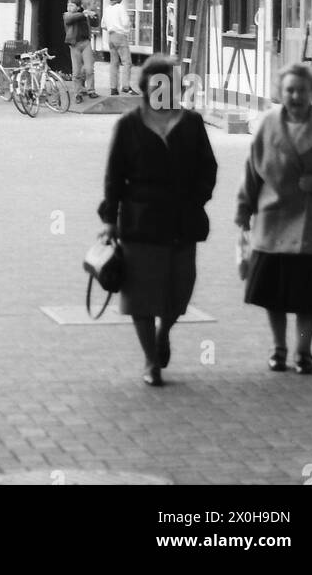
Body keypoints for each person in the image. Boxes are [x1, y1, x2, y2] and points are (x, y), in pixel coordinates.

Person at [98, 54, 218, 386]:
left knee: (179, 290)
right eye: (155, 85)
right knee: (140, 295)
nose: (162, 90)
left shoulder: (191, 123)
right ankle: (151, 360)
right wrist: (110, 219)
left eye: (168, 84)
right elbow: (114, 176)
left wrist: (197, 199)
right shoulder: (128, 125)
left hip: (183, 220)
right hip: (140, 222)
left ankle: (164, 331)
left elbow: (208, 167)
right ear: (144, 88)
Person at [235, 62, 312, 375]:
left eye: (302, 90)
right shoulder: (266, 125)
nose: (295, 96)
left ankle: (303, 352)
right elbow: (252, 172)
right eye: (289, 90)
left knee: (310, 299)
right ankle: (279, 348)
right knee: (275, 296)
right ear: (281, 92)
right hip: (274, 219)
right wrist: (243, 212)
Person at [63, 0, 98, 102]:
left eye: (72, 6)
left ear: (78, 7)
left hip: (85, 43)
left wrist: (93, 15)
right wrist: (85, 13)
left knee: (89, 69)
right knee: (76, 71)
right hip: (74, 45)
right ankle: (77, 93)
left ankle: (91, 90)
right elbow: (70, 19)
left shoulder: (83, 15)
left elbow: (95, 23)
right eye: (68, 5)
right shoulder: (67, 15)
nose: (69, 8)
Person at [102, 0, 133, 95]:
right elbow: (125, 22)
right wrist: (128, 27)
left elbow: (103, 25)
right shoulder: (120, 7)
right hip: (120, 36)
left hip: (111, 36)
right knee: (127, 62)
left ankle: (113, 88)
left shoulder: (107, 9)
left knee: (114, 63)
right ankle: (126, 86)